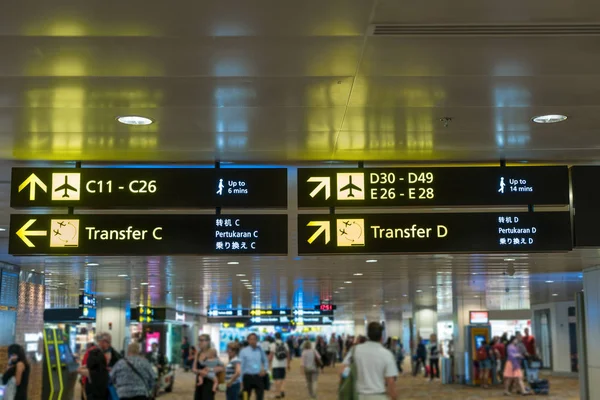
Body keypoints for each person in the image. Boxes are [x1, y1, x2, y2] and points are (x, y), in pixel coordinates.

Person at [343, 322, 398, 400]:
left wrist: (347, 378)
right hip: (378, 396)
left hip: (358, 396)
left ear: (367, 335)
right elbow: (391, 381)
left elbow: (343, 370)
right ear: (381, 337)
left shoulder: (355, 350)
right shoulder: (387, 354)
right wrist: (394, 397)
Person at [193, 334, 224, 400]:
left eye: (202, 340)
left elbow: (221, 367)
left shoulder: (212, 352)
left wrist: (211, 369)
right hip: (199, 381)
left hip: (210, 381)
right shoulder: (198, 354)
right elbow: (193, 369)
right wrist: (200, 371)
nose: (200, 342)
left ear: (208, 342)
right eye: (199, 340)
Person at [239, 333, 269, 400]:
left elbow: (265, 361)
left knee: (260, 397)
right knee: (245, 398)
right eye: (251, 339)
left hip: (258, 377)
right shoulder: (243, 352)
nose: (253, 341)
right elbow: (241, 366)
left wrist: (265, 369)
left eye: (254, 339)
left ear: (257, 340)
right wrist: (240, 380)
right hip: (247, 377)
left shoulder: (260, 350)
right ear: (248, 340)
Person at [269, 332, 290, 399]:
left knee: (276, 379)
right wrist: (288, 364)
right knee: (282, 378)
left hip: (275, 364)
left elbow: (271, 356)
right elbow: (288, 355)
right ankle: (282, 390)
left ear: (275, 337)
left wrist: (269, 363)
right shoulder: (285, 344)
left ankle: (278, 393)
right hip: (283, 364)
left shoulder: (272, 344)